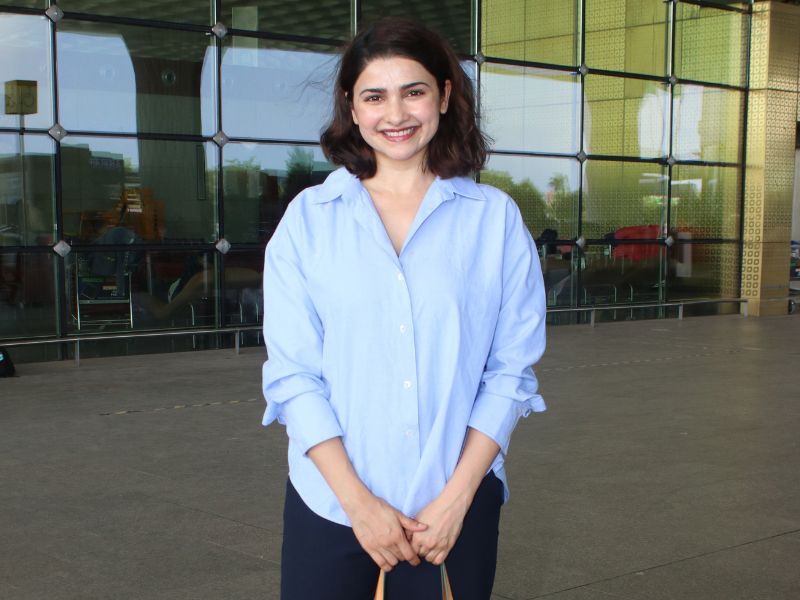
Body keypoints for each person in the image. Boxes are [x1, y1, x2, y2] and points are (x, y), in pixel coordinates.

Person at [261, 17, 547, 600]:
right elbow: (294, 377)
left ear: (444, 95)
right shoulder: (309, 221)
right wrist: (361, 506)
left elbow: (509, 372)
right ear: (352, 106)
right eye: (375, 96)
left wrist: (457, 499)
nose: (395, 114)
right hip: (333, 508)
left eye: (413, 91)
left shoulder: (493, 220)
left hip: (454, 513)